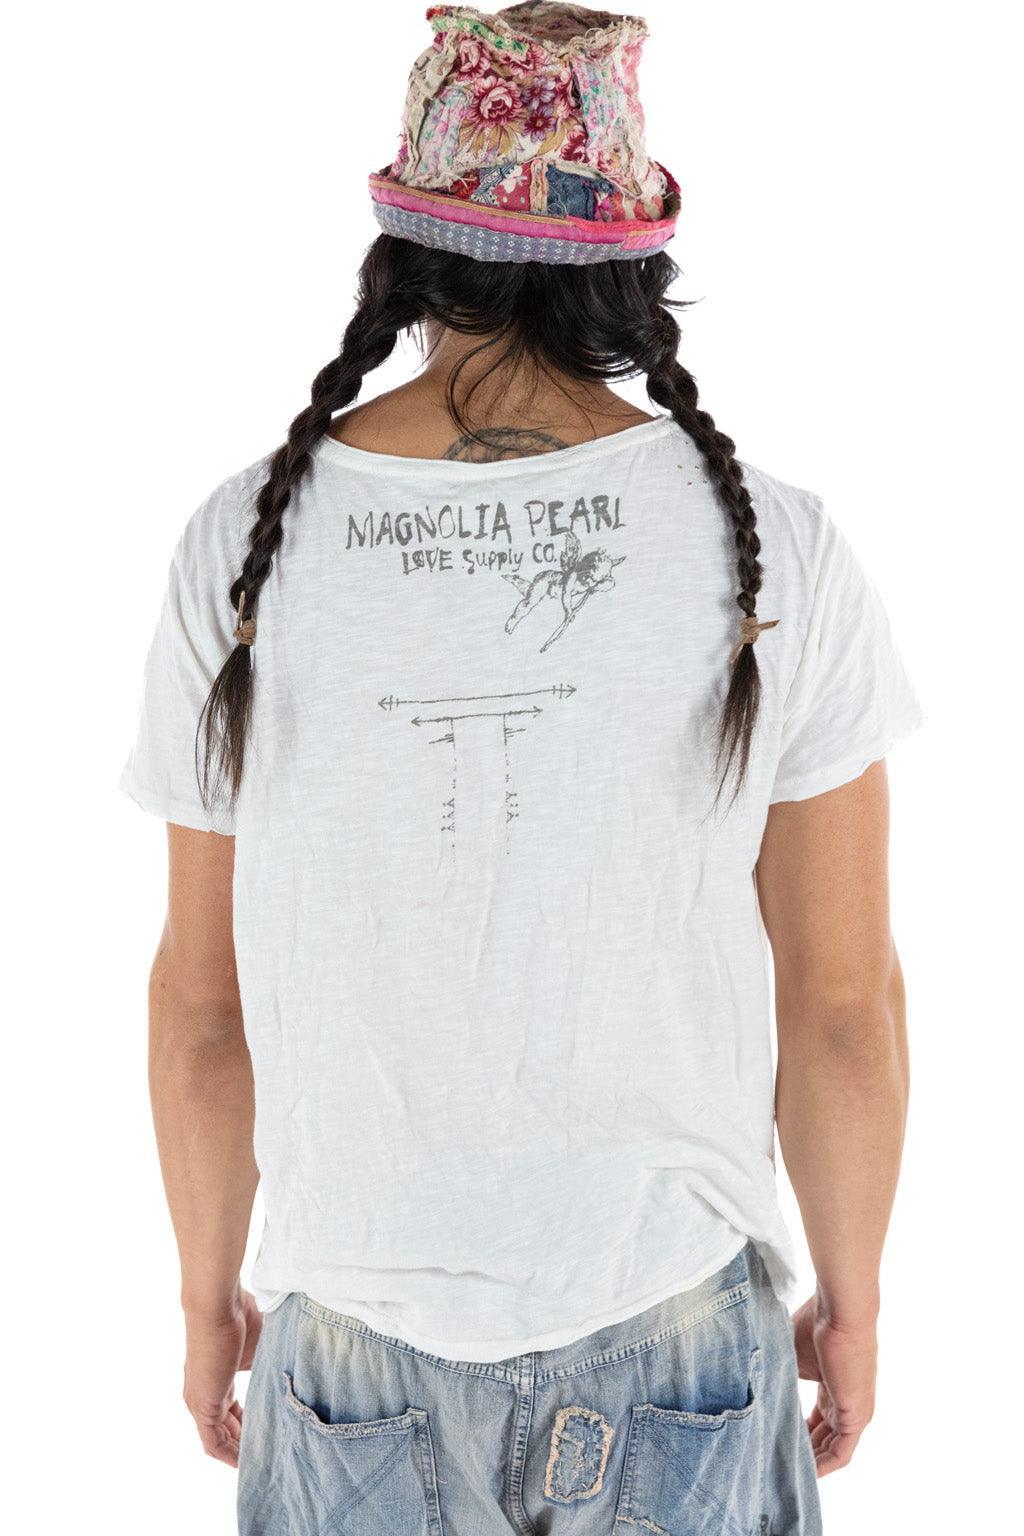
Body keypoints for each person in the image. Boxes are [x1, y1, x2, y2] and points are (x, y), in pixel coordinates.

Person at [119, 5, 924, 1533]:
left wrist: (205, 1298)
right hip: (680, 1332)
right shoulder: (772, 544)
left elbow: (203, 1010)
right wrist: (855, 1301)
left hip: (350, 1350)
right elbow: (842, 1006)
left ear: (406, 256)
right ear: (636, 263)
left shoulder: (245, 545)